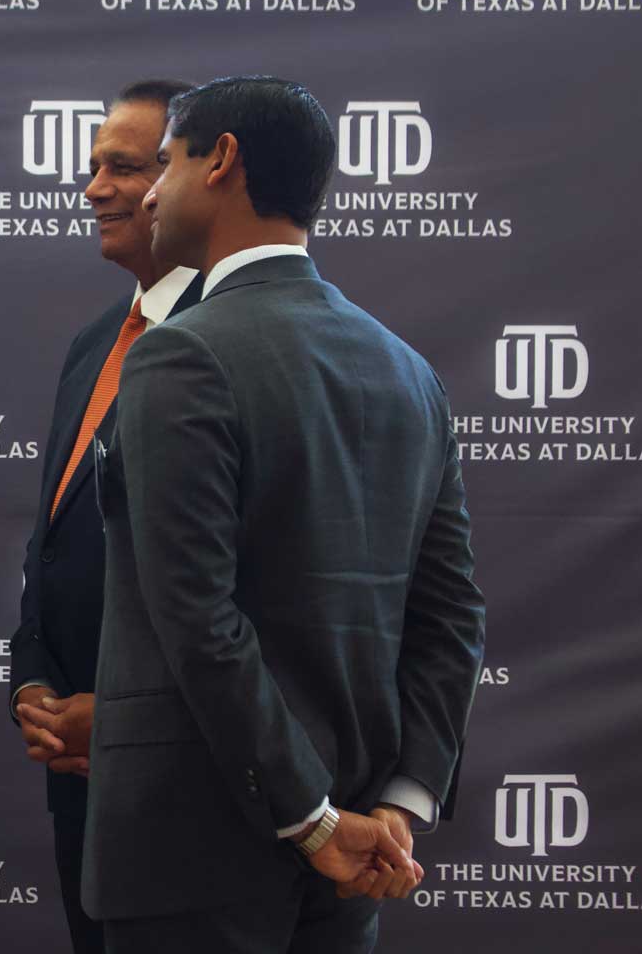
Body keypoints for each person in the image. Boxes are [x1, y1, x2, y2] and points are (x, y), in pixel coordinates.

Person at [82, 76, 485, 953]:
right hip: (359, 851)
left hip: (198, 852)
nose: (149, 191)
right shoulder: (410, 372)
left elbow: (194, 615)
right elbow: (452, 616)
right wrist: (397, 802)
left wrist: (311, 818)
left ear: (220, 162)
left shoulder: (181, 353)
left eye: (169, 163)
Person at [8, 78, 201, 954]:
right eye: (92, 167)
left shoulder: (231, 342)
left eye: (121, 167)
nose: (91, 190)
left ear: (191, 177)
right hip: (79, 775)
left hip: (190, 782)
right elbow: (54, 542)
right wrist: (33, 683)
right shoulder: (96, 342)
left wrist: (118, 719)